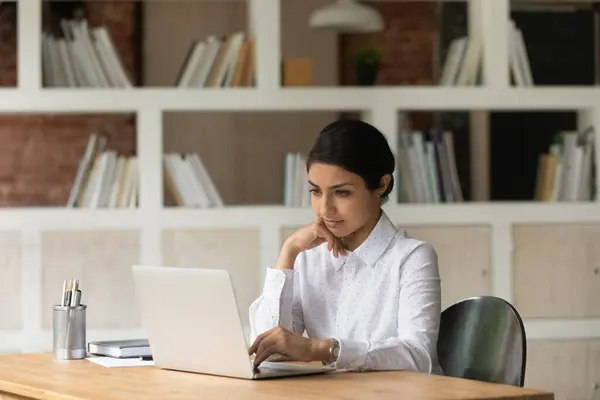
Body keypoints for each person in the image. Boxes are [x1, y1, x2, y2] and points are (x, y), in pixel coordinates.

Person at [247, 119, 443, 374]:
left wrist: (320, 349)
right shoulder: (308, 256)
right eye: (316, 192)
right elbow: (268, 351)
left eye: (341, 193)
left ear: (382, 185)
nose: (325, 209)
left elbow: (419, 356)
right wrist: (290, 250)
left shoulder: (412, 258)